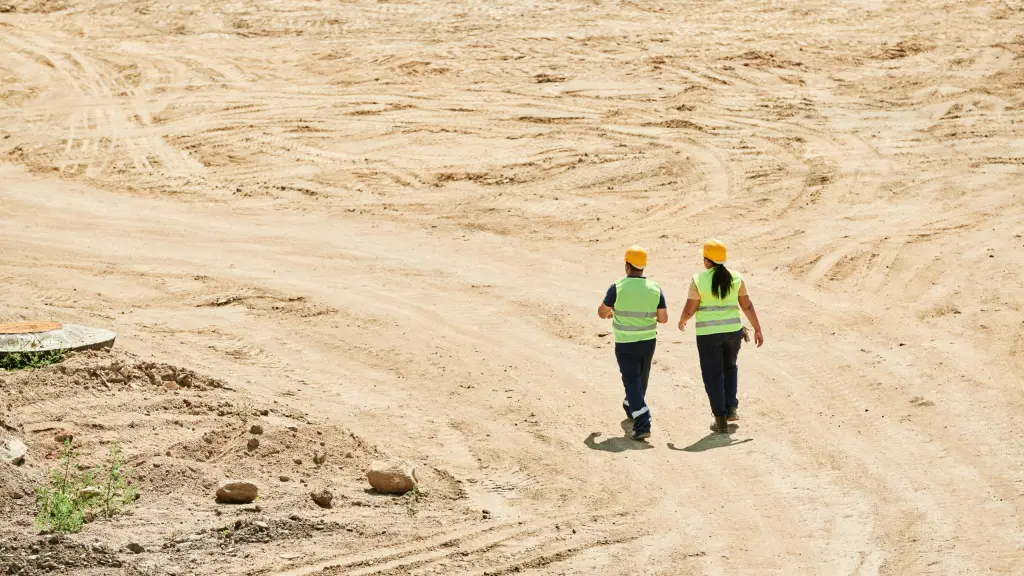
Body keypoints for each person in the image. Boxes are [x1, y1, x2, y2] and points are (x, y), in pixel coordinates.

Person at [677, 239, 763, 433]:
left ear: (707, 260)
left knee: (712, 375)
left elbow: (691, 309)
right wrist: (757, 328)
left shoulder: (699, 279)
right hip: (733, 332)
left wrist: (683, 320)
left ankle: (720, 419)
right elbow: (746, 305)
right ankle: (731, 407)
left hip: (709, 335)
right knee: (730, 368)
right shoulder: (736, 277)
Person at [597, 245, 668, 440]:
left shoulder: (618, 287)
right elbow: (663, 319)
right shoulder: (655, 288)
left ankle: (643, 421)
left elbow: (602, 311)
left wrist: (611, 313)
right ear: (643, 267)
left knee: (631, 380)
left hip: (625, 343)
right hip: (647, 342)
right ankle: (631, 405)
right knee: (641, 378)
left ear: (627, 265)